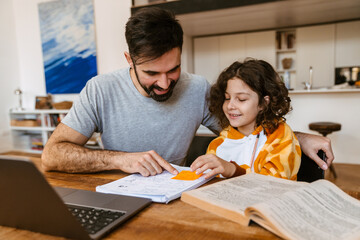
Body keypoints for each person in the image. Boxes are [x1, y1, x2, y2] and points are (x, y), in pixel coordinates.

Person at [41, 7, 334, 177]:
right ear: (129, 60)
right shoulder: (100, 89)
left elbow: (247, 127)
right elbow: (52, 155)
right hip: (114, 192)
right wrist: (120, 160)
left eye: (174, 69)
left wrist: (298, 138)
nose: (166, 83)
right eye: (152, 73)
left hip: (173, 194)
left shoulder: (196, 88)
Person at [191, 59, 301, 180]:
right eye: (227, 98)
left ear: (263, 103)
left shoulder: (279, 135)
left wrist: (233, 170)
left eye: (241, 99)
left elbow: (274, 184)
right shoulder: (218, 144)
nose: (230, 106)